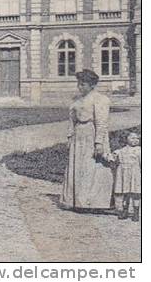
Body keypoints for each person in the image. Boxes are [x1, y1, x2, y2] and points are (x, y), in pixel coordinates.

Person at [61, 69, 114, 211]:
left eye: (83, 84)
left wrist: (99, 143)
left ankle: (93, 202)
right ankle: (75, 200)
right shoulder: (77, 101)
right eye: (79, 84)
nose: (80, 87)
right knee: (77, 167)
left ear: (92, 85)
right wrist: (70, 137)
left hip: (92, 135)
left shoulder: (100, 99)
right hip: (79, 137)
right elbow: (71, 121)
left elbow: (102, 122)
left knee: (92, 168)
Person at [111, 132, 140, 221]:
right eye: (132, 138)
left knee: (136, 194)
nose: (135, 140)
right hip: (124, 174)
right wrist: (109, 156)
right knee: (125, 193)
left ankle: (136, 213)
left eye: (137, 138)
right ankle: (125, 211)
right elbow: (112, 158)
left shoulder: (140, 150)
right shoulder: (121, 151)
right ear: (126, 139)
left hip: (135, 174)